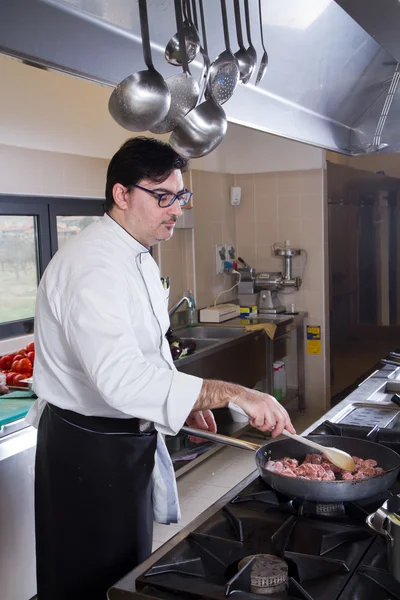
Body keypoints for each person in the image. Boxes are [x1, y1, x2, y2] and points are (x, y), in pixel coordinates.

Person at [28, 137, 295, 599]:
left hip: (120, 442)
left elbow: (148, 353)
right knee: (88, 579)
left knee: (123, 571)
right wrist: (235, 394)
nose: (176, 209)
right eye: (163, 196)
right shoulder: (92, 266)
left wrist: (178, 400)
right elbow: (121, 379)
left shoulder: (137, 254)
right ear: (122, 194)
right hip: (86, 453)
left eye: (181, 196)